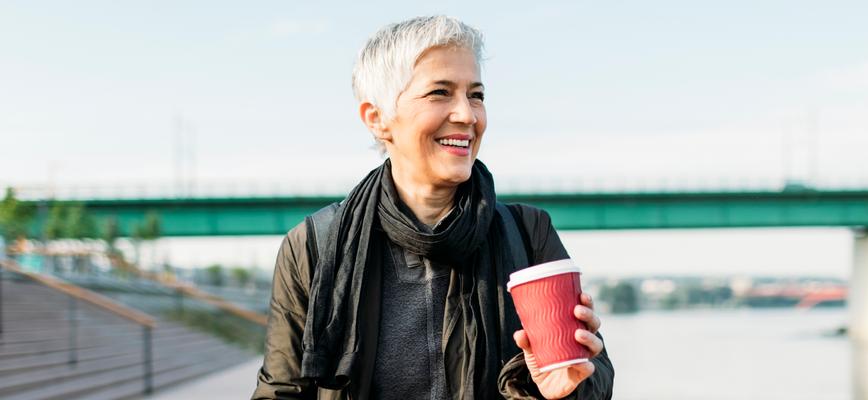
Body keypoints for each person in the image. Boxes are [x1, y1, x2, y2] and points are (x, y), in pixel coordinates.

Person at [252, 16, 614, 400]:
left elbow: (592, 379)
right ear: (377, 119)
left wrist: (564, 389)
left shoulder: (528, 232)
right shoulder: (314, 246)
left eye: (476, 95)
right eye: (440, 93)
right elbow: (281, 392)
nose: (467, 115)